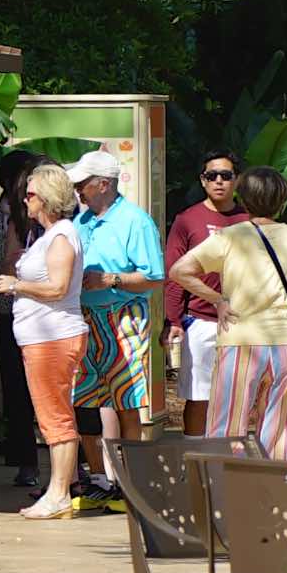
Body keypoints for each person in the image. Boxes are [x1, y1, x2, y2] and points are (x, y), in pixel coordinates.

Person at [167, 167, 287, 458]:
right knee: (280, 428)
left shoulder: (230, 237)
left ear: (244, 198)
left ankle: (226, 489)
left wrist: (218, 300)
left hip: (240, 338)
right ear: (282, 200)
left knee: (227, 425)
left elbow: (180, 271)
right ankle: (271, 490)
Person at [67, 150, 164, 514]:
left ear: (103, 184)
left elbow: (153, 276)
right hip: (86, 318)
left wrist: (111, 278)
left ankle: (130, 480)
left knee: (125, 398)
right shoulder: (82, 221)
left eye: (82, 183)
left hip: (123, 317)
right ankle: (98, 479)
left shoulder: (135, 222)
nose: (78, 190)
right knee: (86, 397)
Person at [0, 162, 86, 521]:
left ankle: (59, 492)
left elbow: (58, 287)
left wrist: (17, 285)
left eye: (30, 194)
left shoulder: (61, 236)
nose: (25, 200)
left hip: (53, 338)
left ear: (47, 198)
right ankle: (58, 490)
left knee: (55, 418)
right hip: (43, 339)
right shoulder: (47, 235)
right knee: (52, 417)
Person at [0, 150, 50, 489]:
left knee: (44, 389)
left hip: (44, 315)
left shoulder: (44, 219)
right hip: (8, 315)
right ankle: (25, 460)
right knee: (15, 390)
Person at [163, 150, 250, 438]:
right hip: (199, 320)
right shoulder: (187, 219)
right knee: (198, 395)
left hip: (242, 322)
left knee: (237, 396)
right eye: (211, 176)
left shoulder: (249, 220)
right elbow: (173, 273)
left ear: (236, 181)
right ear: (202, 181)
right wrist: (173, 320)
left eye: (226, 175)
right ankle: (195, 455)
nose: (219, 181)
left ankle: (230, 459)